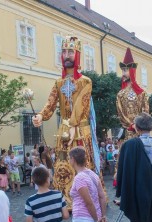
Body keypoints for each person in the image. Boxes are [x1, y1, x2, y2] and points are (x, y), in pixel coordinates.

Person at [32, 36, 101, 211]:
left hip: (80, 130)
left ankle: (88, 197)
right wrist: (40, 115)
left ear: (77, 55)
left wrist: (73, 125)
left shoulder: (85, 81)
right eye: (64, 52)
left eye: (70, 52)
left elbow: (81, 105)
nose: (67, 55)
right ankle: (65, 199)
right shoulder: (58, 82)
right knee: (63, 165)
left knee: (82, 163)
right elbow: (50, 103)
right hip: (63, 131)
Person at [115, 48, 150, 141]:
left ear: (132, 71)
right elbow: (120, 113)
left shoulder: (142, 93)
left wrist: (139, 125)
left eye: (126, 70)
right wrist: (130, 125)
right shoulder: (120, 94)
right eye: (122, 70)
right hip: (128, 132)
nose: (123, 73)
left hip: (141, 133)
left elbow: (145, 112)